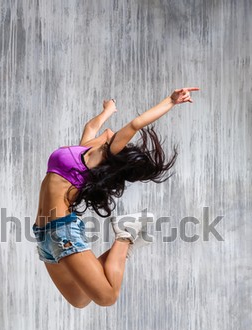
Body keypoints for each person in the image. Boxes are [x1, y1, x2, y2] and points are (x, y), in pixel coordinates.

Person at [33, 87, 200, 308]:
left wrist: (170, 101)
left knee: (107, 297)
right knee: (80, 299)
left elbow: (134, 125)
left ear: (115, 152)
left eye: (122, 141)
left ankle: (124, 236)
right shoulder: (84, 148)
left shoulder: (97, 156)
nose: (113, 132)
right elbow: (91, 126)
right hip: (42, 233)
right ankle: (126, 243)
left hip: (62, 231)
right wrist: (108, 111)